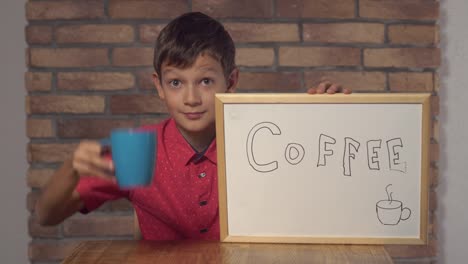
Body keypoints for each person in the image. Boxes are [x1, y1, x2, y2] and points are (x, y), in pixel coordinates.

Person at [35, 12, 350, 240]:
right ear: (158, 86)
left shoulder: (263, 141)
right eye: (175, 82)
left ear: (231, 81)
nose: (190, 98)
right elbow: (47, 217)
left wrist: (330, 119)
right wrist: (71, 169)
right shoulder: (140, 148)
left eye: (205, 81)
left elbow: (326, 190)